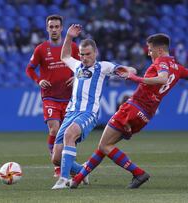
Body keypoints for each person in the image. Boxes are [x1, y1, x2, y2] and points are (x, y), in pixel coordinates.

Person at [70, 33, 188, 189]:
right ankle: (77, 179)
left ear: (160, 50)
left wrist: (135, 78)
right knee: (106, 145)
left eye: (150, 50)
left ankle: (138, 173)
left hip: (133, 108)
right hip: (146, 116)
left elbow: (163, 78)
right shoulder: (179, 68)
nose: (148, 53)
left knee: (104, 145)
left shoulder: (162, 61)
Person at [51, 24, 136, 189]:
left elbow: (127, 69)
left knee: (70, 134)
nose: (84, 58)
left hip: (88, 113)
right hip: (71, 113)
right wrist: (68, 37)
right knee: (56, 157)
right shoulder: (77, 66)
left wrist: (129, 71)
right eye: (82, 54)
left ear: (95, 53)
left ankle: (63, 179)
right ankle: (83, 171)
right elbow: (65, 56)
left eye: (87, 54)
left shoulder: (103, 67)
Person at [25, 15, 80, 177]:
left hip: (70, 98)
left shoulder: (73, 47)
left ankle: (71, 167)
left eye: (57, 27)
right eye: (51, 27)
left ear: (62, 28)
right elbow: (29, 69)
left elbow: (83, 66)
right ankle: (57, 166)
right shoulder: (41, 49)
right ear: (47, 28)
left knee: (69, 136)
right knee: (54, 129)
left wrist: (77, 76)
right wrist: (39, 80)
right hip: (50, 97)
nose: (54, 29)